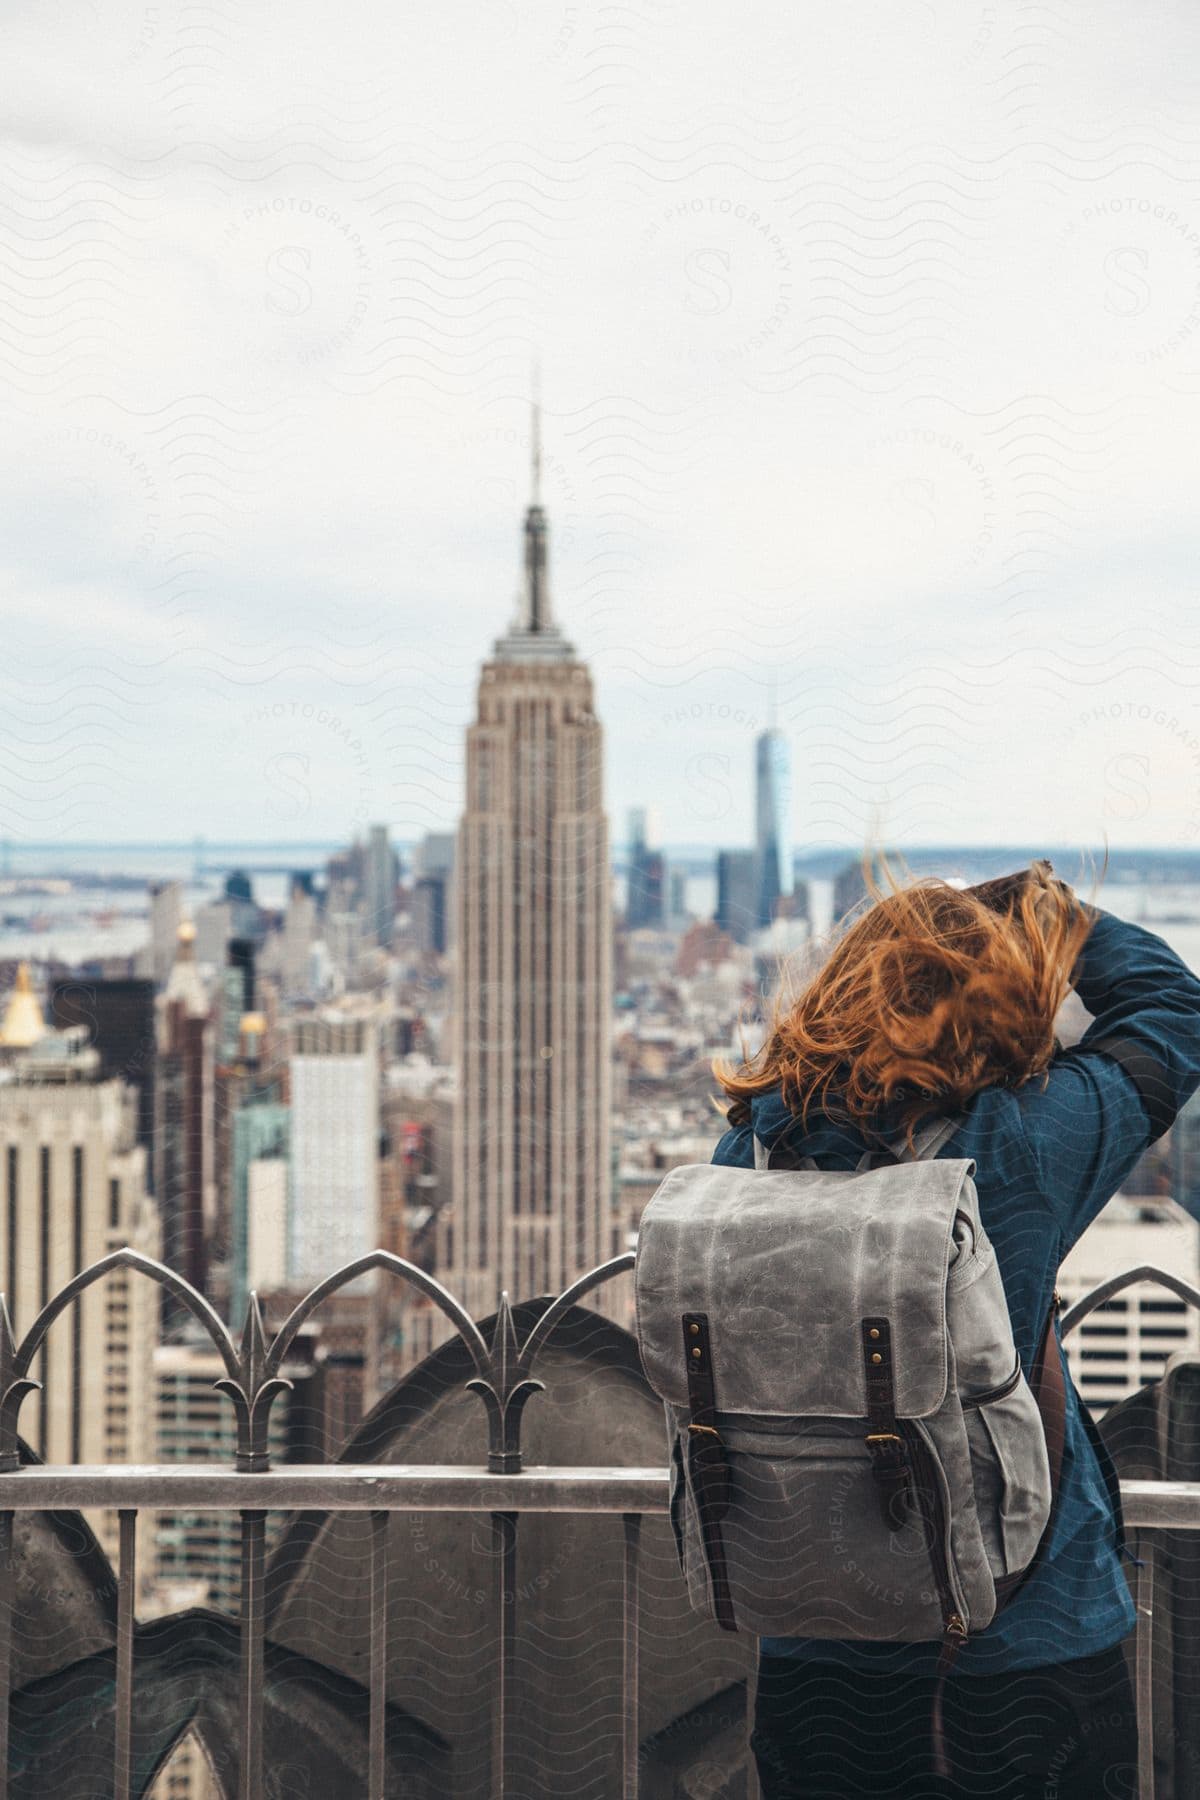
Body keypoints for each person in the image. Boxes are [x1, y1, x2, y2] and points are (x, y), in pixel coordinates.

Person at [709, 858, 1200, 1799]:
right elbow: (1172, 1009)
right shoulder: (1019, 1146)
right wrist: (1045, 913)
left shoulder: (753, 1149)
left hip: (815, 1642)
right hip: (1030, 1640)